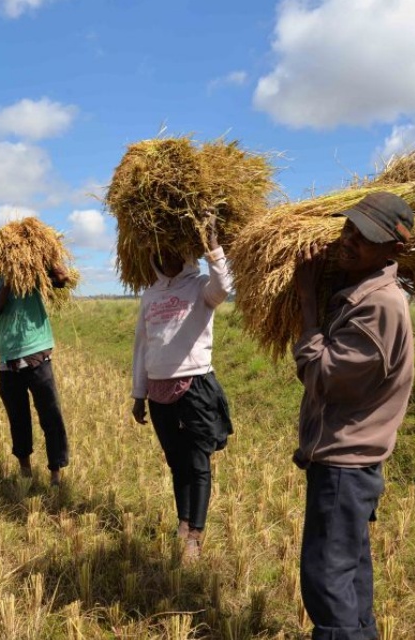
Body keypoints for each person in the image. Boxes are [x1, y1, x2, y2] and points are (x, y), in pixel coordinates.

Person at [291, 191, 415, 640]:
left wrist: (306, 300)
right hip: (347, 465)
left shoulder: (380, 305)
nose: (348, 239)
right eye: (348, 228)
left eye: (363, 237)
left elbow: (323, 375)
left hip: (345, 466)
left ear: (393, 251)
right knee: (350, 582)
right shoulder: (360, 294)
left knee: (328, 587)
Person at [130, 212, 234, 563]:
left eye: (173, 252)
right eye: (160, 254)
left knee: (198, 461)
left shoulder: (200, 285)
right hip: (158, 391)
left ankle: (196, 536)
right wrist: (138, 394)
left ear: (185, 254)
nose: (166, 259)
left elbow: (224, 288)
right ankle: (183, 520)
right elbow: (142, 347)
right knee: (176, 462)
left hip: (195, 385)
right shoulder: (150, 295)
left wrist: (214, 247)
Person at [0, 231, 70, 486]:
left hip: (38, 356)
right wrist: (10, 278)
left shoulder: (33, 277)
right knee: (18, 419)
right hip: (8, 361)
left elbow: (62, 279)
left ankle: (55, 473)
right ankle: (25, 470)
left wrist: (45, 254)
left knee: (50, 416)